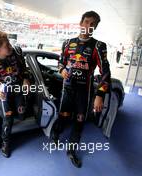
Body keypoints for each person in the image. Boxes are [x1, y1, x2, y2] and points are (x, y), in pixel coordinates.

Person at [52, 11, 111, 168]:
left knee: (80, 121)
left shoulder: (98, 46)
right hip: (68, 88)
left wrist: (100, 95)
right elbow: (60, 62)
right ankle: (55, 134)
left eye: (93, 24)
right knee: (63, 116)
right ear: (81, 23)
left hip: (84, 91)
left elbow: (105, 72)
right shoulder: (67, 43)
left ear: (95, 28)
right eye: (86, 22)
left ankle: (71, 151)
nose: (88, 26)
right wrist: (61, 69)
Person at [0, 31, 30, 158]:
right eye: (6, 45)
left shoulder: (16, 52)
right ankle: (6, 143)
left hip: (18, 90)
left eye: (9, 43)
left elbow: (24, 69)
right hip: (4, 95)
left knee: (22, 115)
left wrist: (26, 79)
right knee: (8, 120)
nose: (10, 46)